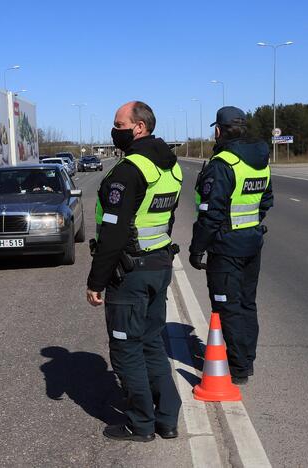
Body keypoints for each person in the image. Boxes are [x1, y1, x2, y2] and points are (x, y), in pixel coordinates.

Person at [86, 101, 182, 442]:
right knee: (152, 343)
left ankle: (140, 424)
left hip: (131, 273)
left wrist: (97, 280)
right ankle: (167, 417)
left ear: (138, 127)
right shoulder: (171, 168)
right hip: (159, 264)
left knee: (126, 350)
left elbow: (112, 231)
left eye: (118, 123)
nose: (114, 129)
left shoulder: (130, 170)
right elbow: (167, 219)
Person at [189, 106, 273, 385]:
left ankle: (238, 367)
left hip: (226, 248)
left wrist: (197, 248)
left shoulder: (223, 164)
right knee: (247, 303)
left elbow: (211, 214)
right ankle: (246, 359)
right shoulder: (259, 161)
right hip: (252, 243)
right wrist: (249, 227)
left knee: (228, 306)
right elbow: (266, 201)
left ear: (218, 130)